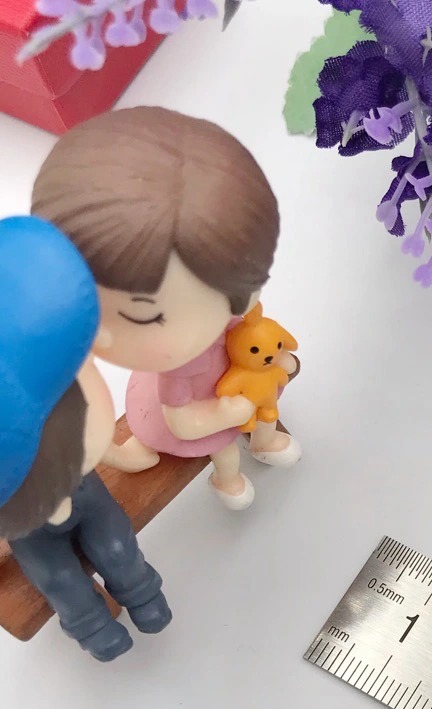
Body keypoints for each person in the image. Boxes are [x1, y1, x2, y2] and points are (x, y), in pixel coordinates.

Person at [31, 106, 301, 512]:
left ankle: (263, 442)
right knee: (225, 453)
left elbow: (257, 335)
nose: (98, 334)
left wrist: (276, 360)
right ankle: (225, 480)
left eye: (144, 317)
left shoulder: (235, 314)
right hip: (195, 410)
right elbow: (183, 422)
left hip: (237, 384)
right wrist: (227, 413)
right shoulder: (178, 369)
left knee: (264, 411)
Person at [0, 217, 171, 662]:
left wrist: (130, 456)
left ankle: (143, 593)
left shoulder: (60, 418)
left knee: (117, 546)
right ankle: (93, 628)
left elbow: (100, 444)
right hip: (29, 530)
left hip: (85, 495)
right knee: (59, 580)